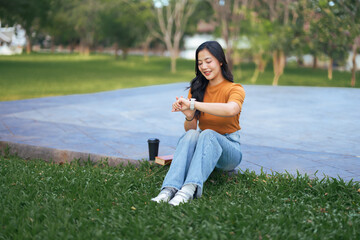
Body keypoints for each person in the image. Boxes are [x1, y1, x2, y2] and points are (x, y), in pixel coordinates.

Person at [151, 41, 245, 206]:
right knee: (193, 134)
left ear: (220, 61)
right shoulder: (197, 89)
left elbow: (231, 109)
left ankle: (188, 189)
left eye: (208, 61)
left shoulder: (234, 89)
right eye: (200, 63)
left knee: (207, 133)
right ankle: (169, 189)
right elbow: (191, 129)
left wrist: (194, 105)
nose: (204, 67)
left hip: (229, 150)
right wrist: (189, 116)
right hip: (204, 147)